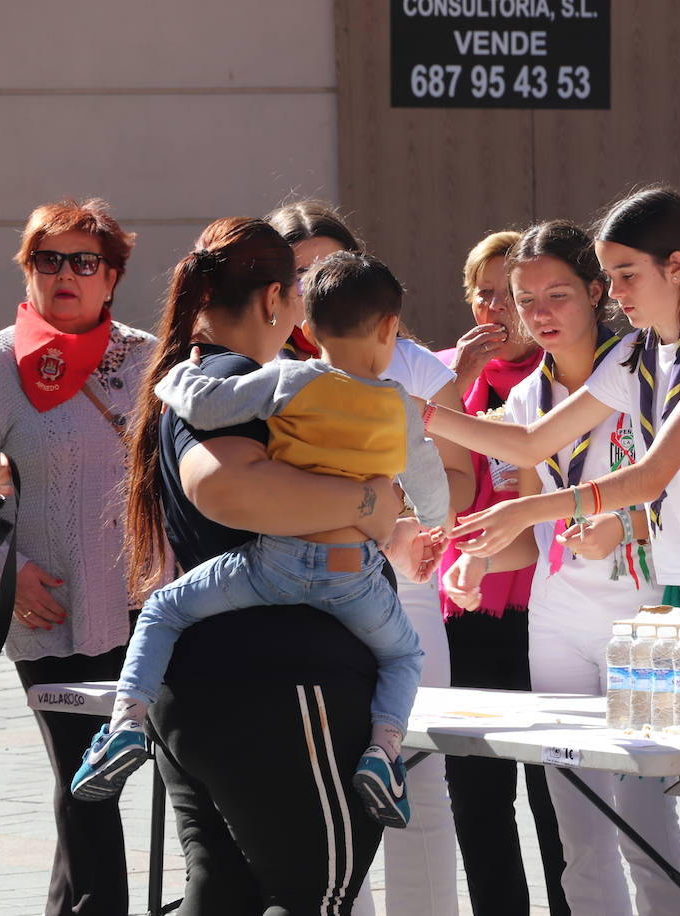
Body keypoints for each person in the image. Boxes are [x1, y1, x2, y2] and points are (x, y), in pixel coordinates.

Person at [122, 216, 443, 912]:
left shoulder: (198, 376)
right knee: (317, 897)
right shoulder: (238, 377)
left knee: (224, 894)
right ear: (273, 300)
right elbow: (228, 487)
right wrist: (373, 503)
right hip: (284, 684)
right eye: (295, 295)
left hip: (216, 680)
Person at [442, 220, 680, 915]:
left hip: (647, 620)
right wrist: (477, 562)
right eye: (526, 301)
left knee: (648, 826)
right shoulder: (525, 398)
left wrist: (625, 522)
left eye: (558, 295)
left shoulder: (641, 370)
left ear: (596, 291)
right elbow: (533, 528)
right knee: (577, 832)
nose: (540, 315)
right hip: (555, 623)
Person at [267, 199, 470, 916]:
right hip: (295, 589)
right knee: (309, 777)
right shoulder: (267, 375)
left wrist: (404, 524)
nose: (316, 283)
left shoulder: (412, 368)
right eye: (300, 273)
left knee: (415, 771)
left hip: (403, 591)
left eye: (329, 266)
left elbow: (459, 478)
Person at [429, 187, 680, 613]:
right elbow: (531, 442)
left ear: (676, 266)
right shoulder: (636, 351)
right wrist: (423, 414)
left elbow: (650, 477)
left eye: (628, 275)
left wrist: (528, 510)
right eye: (611, 276)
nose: (617, 292)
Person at [0, 198, 151, 916]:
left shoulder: (150, 359)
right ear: (28, 271)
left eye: (84, 261)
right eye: (47, 259)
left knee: (151, 778)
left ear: (111, 277)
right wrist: (4, 572)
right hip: (47, 607)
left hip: (152, 608)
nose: (65, 274)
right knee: (87, 776)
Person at [434, 229, 570, 916]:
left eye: (508, 295)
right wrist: (453, 385)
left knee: (556, 792)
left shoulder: (562, 380)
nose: (497, 309)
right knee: (479, 792)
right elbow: (444, 491)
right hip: (471, 611)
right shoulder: (444, 377)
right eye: (484, 293)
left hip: (545, 609)